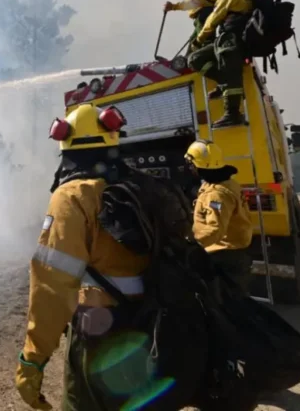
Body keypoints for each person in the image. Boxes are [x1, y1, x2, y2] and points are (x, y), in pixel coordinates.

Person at [14, 103, 194, 411]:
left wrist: (32, 359)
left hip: (100, 334)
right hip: (152, 324)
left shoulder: (71, 197)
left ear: (66, 146)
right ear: (112, 139)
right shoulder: (141, 185)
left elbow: (52, 288)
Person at [188, 0, 252, 128]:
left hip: (231, 41)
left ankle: (232, 114)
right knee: (197, 59)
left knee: (224, 70)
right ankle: (224, 85)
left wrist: (198, 39)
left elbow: (212, 20)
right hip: (235, 39)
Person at [185, 139, 254, 293]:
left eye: (191, 164)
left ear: (200, 165)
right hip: (231, 252)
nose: (190, 168)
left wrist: (190, 244)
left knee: (225, 303)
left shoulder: (217, 195)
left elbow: (215, 229)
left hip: (224, 256)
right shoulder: (225, 183)